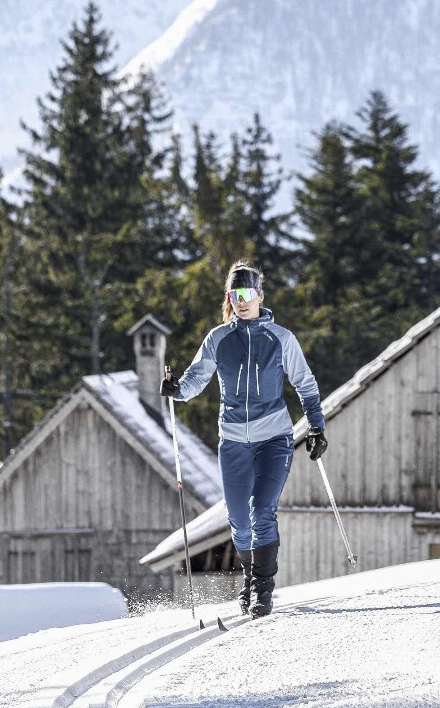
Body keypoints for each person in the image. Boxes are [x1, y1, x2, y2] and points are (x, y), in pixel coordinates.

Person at [160, 262, 327, 617]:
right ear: (229, 299)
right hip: (234, 442)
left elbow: (306, 385)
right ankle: (250, 579)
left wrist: (316, 427)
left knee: (261, 511)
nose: (242, 301)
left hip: (274, 439)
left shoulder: (281, 338)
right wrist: (177, 391)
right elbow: (194, 379)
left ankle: (262, 589)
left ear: (260, 296)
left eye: (248, 294)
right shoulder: (219, 339)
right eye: (235, 295)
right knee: (239, 520)